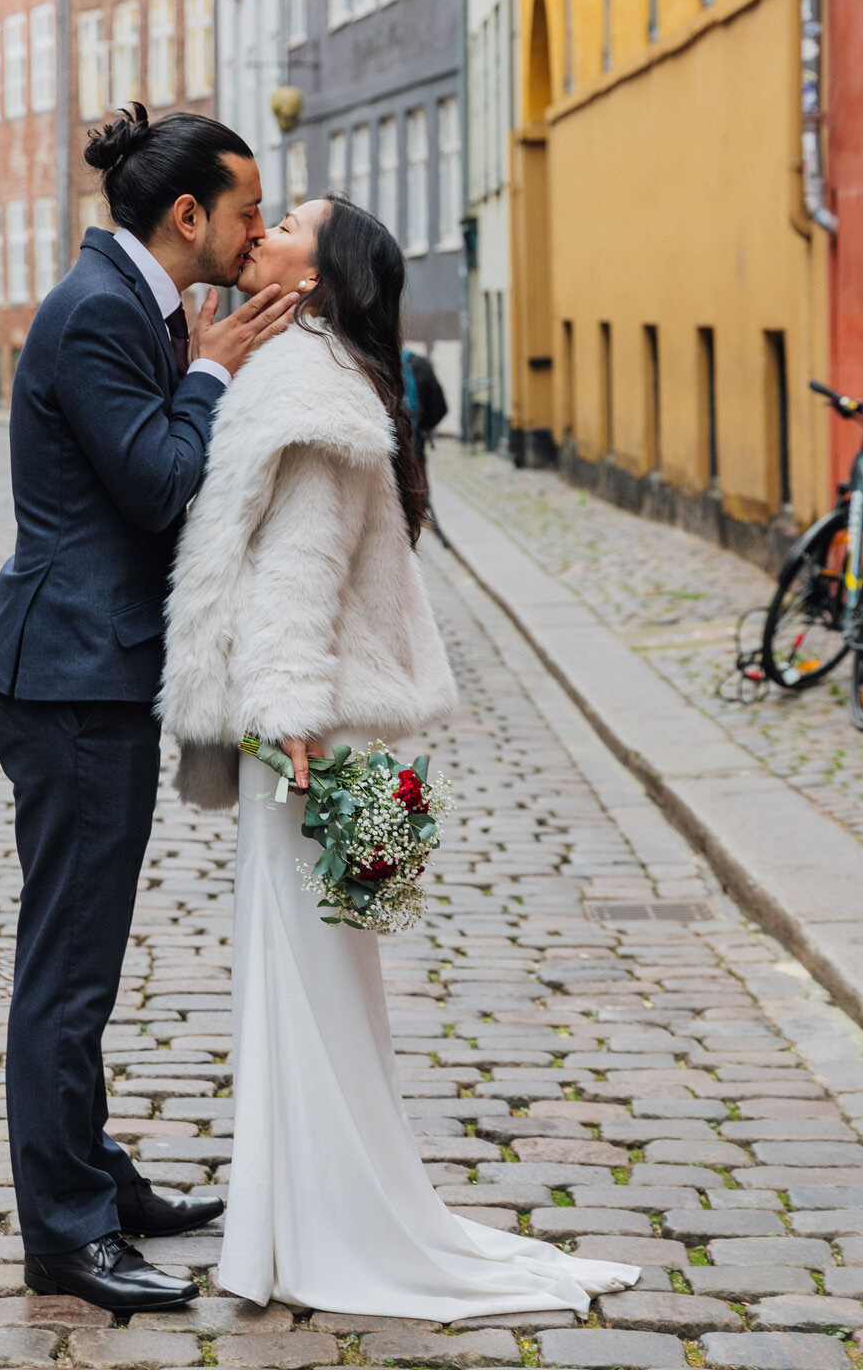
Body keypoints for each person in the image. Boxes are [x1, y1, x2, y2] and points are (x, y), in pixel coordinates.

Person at [160, 195, 640, 1318]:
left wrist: (287, 713)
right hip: (291, 718)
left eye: (287, 224)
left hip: (297, 727)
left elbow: (302, 565)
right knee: (300, 973)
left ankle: (326, 1225)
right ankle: (298, 1216)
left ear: (315, 278)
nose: (261, 228)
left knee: (303, 975)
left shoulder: (311, 386)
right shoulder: (299, 366)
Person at [0, 106, 298, 1315]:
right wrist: (212, 374)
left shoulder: (135, 301)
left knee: (83, 959)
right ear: (187, 215)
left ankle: (96, 1180)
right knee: (67, 967)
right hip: (69, 674)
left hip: (89, 666)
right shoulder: (102, 312)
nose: (257, 229)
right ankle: (65, 1234)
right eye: (247, 210)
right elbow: (159, 484)